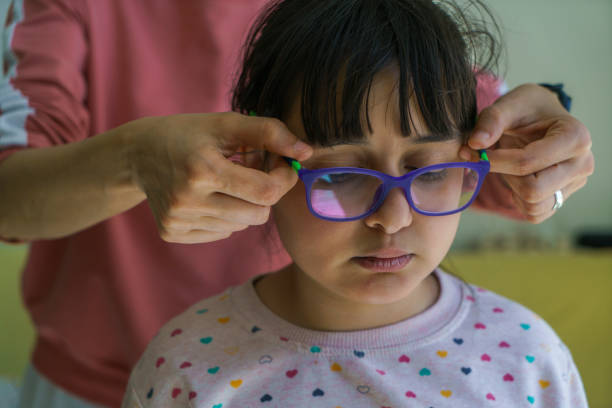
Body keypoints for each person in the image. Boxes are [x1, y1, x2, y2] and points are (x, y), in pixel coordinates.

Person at [0, 0, 592, 407]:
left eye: (423, 171)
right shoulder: (178, 366)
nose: (393, 215)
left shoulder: (528, 358)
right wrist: (133, 159)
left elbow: (491, 155)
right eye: (341, 174)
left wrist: (547, 126)